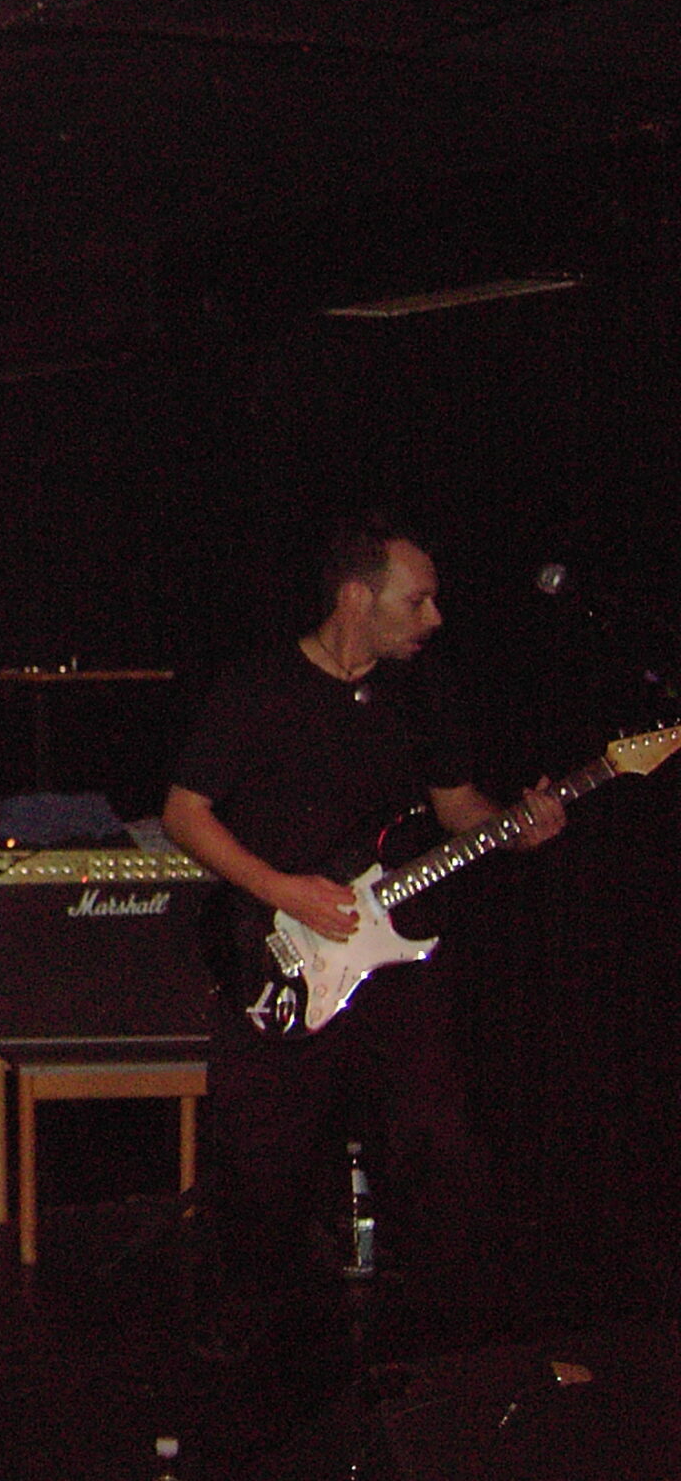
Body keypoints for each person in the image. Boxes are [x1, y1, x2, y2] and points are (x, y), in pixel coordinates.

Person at [163, 515, 564, 1362]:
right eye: (416, 601)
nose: (434, 619)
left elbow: (457, 809)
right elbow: (184, 813)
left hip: (394, 958)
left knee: (434, 1139)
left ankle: (451, 1344)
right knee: (263, 1156)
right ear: (356, 598)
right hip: (274, 950)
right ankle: (253, 1335)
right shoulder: (259, 686)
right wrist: (281, 890)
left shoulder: (422, 695)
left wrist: (517, 826)